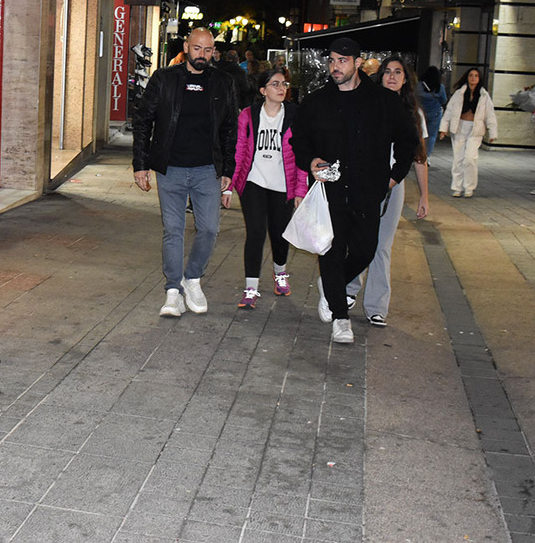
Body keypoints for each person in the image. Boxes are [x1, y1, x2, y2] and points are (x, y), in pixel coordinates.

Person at [290, 37, 417, 344]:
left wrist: (392, 178)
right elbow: (299, 139)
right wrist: (311, 161)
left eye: (343, 61)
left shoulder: (382, 101)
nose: (336, 67)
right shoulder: (317, 101)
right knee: (331, 252)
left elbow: (407, 139)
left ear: (358, 63)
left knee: (365, 250)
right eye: (332, 61)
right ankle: (340, 318)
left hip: (367, 193)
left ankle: (331, 286)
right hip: (329, 192)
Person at [132, 27, 237, 317]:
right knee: (174, 231)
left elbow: (230, 129)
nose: (202, 55)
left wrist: (228, 169)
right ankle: (172, 291)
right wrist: (140, 164)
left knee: (209, 229)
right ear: (186, 46)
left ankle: (192, 278)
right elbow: (143, 121)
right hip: (171, 169)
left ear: (213, 51)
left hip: (207, 170)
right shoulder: (164, 79)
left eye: (208, 50)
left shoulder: (223, 82)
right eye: (197, 49)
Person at [346, 56, 429, 326]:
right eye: (388, 72)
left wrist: (424, 197)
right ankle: (347, 290)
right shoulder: (368, 105)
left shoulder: (413, 114)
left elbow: (419, 157)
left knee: (382, 246)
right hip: (364, 182)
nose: (392, 76)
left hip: (394, 184)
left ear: (406, 79)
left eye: (398, 72)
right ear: (380, 76)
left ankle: (376, 307)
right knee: (358, 240)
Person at [224, 68, 307, 308]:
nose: (282, 88)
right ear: (263, 90)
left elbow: (301, 155)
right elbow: (240, 150)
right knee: (256, 233)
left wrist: (300, 190)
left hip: (283, 184)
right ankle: (251, 288)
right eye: (275, 84)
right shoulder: (248, 115)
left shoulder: (294, 115)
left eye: (284, 84)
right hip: (254, 182)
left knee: (280, 234)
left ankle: (280, 272)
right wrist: (228, 185)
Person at [439, 67, 498, 197]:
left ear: (479, 79)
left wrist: (492, 132)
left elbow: (490, 114)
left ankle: (469, 187)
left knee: (470, 159)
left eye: (476, 76)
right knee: (458, 159)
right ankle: (457, 187)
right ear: (467, 77)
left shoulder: (483, 95)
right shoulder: (459, 93)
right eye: (471, 75)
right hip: (459, 128)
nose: (473, 78)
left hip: (475, 130)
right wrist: (443, 128)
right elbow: (449, 111)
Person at [417, 66, 446, 158]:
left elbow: (414, 97)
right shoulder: (440, 87)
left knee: (420, 134)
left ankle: (418, 154)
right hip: (435, 114)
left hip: (421, 113)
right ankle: (427, 156)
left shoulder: (419, 86)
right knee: (432, 136)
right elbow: (444, 100)